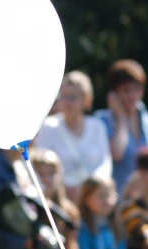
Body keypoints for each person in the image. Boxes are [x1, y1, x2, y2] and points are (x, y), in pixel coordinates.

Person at [34, 71, 112, 202]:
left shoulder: (97, 127)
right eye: (63, 96)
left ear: (87, 100)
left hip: (93, 201)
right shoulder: (48, 127)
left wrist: (89, 188)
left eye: (73, 97)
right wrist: (66, 187)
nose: (67, 102)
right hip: (60, 199)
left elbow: (104, 164)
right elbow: (42, 166)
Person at [94, 59, 148, 194]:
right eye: (126, 90)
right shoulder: (101, 122)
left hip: (147, 202)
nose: (132, 96)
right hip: (114, 199)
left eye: (136, 89)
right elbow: (116, 153)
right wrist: (121, 118)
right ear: (114, 93)